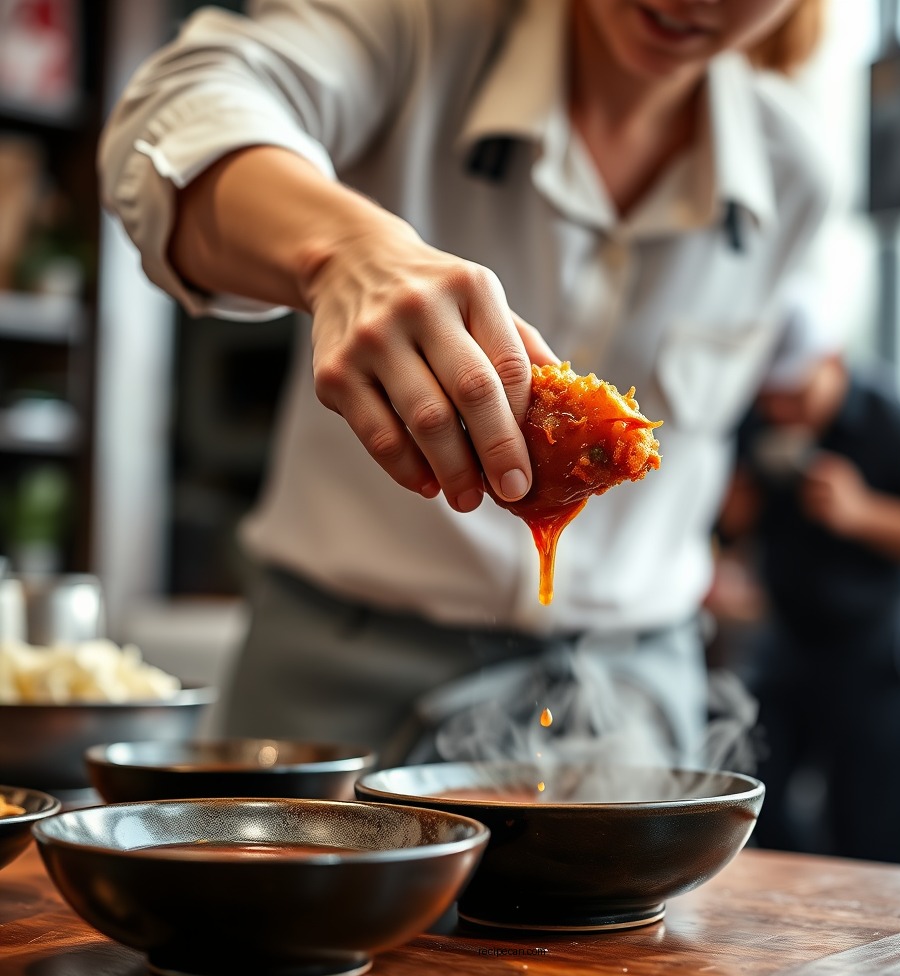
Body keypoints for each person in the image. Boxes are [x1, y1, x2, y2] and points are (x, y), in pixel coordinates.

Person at [99, 0, 830, 767]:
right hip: (340, 679)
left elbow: (800, 369)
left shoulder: (797, 174)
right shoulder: (416, 28)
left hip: (627, 700)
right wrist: (344, 252)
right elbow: (172, 114)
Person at [716, 337, 900, 863]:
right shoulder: (758, 417)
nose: (782, 410)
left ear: (833, 361)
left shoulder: (893, 422)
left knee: (871, 831)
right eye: (771, 397)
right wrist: (731, 513)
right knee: (754, 804)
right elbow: (729, 528)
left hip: (877, 649)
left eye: (796, 393)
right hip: (787, 641)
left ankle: (873, 940)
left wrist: (861, 513)